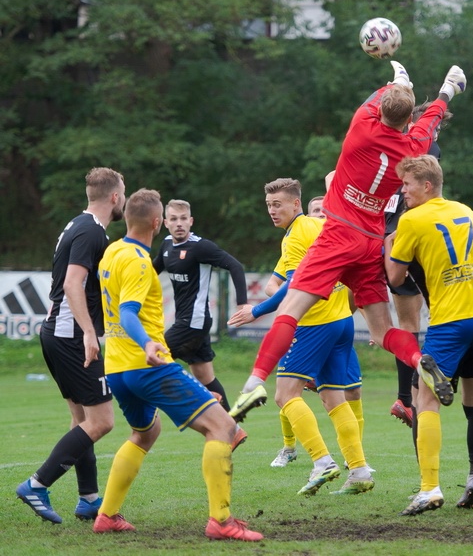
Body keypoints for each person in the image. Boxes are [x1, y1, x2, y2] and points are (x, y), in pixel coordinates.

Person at [229, 61, 468, 419]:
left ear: (381, 110)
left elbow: (375, 100)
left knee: (291, 310)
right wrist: (449, 89)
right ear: (406, 121)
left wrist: (400, 81)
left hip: (339, 234)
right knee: (384, 329)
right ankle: (420, 359)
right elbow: (430, 121)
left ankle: (253, 381)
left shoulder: (361, 129)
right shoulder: (412, 147)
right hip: (372, 242)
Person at [92, 188, 262, 541]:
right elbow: (127, 312)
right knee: (223, 428)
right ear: (159, 223)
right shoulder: (140, 261)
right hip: (148, 365)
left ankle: (106, 515)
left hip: (117, 368)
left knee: (146, 432)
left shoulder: (113, 251)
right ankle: (221, 521)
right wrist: (149, 344)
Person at [385, 155, 473, 516]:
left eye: (407, 185)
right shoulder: (466, 210)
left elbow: (396, 279)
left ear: (426, 185)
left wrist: (392, 246)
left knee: (424, 398)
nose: (403, 192)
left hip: (451, 320)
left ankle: (429, 488)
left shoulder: (411, 220)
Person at [228, 179, 371, 493]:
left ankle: (322, 463)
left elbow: (295, 287)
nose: (272, 211)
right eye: (269, 205)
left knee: (284, 395)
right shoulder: (318, 227)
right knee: (334, 397)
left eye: (278, 204)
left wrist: (256, 310)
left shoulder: (294, 238)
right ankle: (359, 470)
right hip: (341, 322)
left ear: (296, 204)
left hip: (315, 325)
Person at [16, 167, 125, 524]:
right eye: (122, 194)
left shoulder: (76, 225)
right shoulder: (92, 232)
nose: (123, 199)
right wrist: (90, 334)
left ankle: (89, 498)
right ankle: (36, 484)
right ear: (114, 197)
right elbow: (72, 284)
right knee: (102, 421)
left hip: (57, 333)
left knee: (81, 420)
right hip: (70, 338)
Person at [152, 199, 249, 450]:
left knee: (154, 358)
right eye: (173, 219)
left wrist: (242, 304)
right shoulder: (165, 247)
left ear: (191, 221)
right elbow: (151, 274)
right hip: (189, 322)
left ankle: (201, 403)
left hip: (194, 323)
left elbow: (235, 266)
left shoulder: (200, 247)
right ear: (165, 223)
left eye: (184, 218)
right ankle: (233, 430)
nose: (179, 223)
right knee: (204, 375)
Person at [384, 101, 453, 428]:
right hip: (409, 239)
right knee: (439, 311)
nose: (435, 133)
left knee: (404, 322)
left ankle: (404, 396)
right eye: (434, 124)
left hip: (382, 239)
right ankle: (418, 389)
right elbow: (427, 191)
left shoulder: (388, 142)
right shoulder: (429, 148)